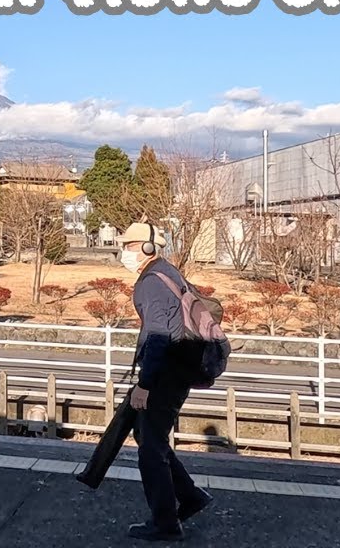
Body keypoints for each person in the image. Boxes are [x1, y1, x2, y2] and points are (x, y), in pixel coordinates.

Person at [119, 221, 214, 541]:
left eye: (129, 246)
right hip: (177, 369)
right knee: (148, 436)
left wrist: (144, 385)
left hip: (165, 374)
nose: (124, 252)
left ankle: (166, 523)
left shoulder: (151, 282)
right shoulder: (167, 271)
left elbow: (158, 335)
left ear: (146, 248)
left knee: (151, 447)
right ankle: (189, 497)